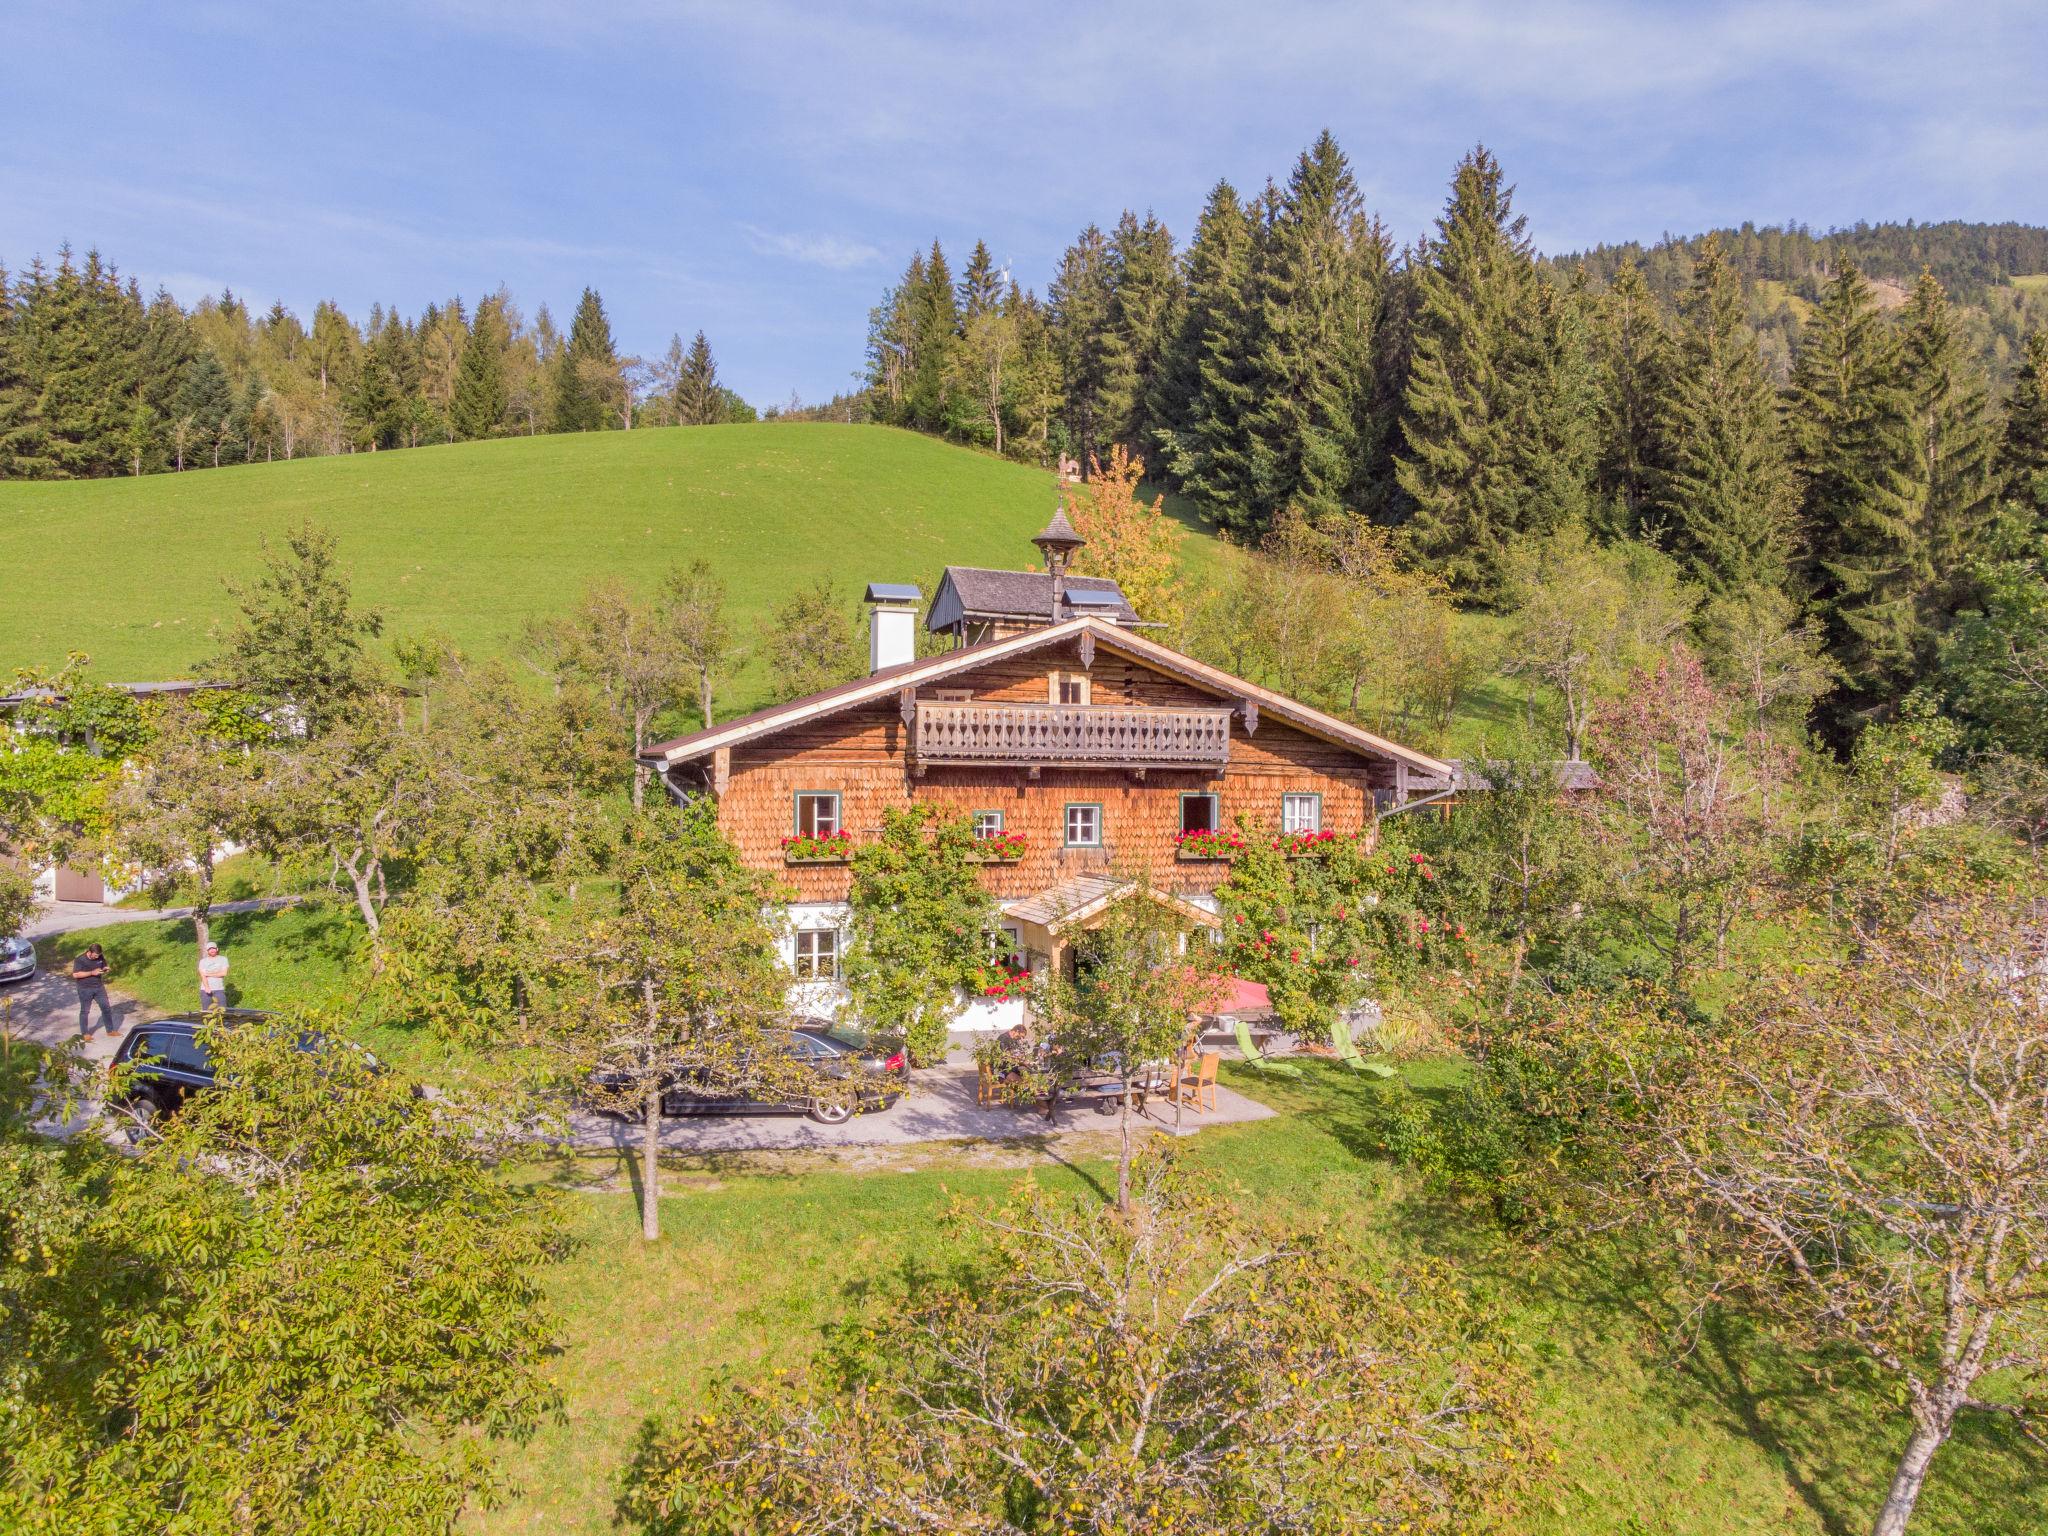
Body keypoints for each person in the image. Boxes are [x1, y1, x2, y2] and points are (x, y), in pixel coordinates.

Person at [72, 943, 114, 1037]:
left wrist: (105, 969)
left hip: (99, 987)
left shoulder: (100, 957)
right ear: (89, 952)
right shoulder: (80, 960)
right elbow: (75, 975)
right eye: (95, 955)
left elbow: (103, 966)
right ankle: (85, 1033)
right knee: (85, 1011)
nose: (97, 957)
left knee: (106, 1008)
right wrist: (92, 973)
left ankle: (110, 1030)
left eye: (98, 955)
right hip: (85, 989)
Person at [197, 942, 229, 1009]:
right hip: (205, 990)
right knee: (206, 1011)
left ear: (217, 949)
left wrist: (208, 974)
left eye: (213, 948)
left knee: (222, 1010)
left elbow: (224, 973)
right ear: (207, 951)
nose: (212, 950)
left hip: (219, 989)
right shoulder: (203, 961)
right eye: (210, 949)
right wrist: (207, 987)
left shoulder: (223, 959)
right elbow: (203, 975)